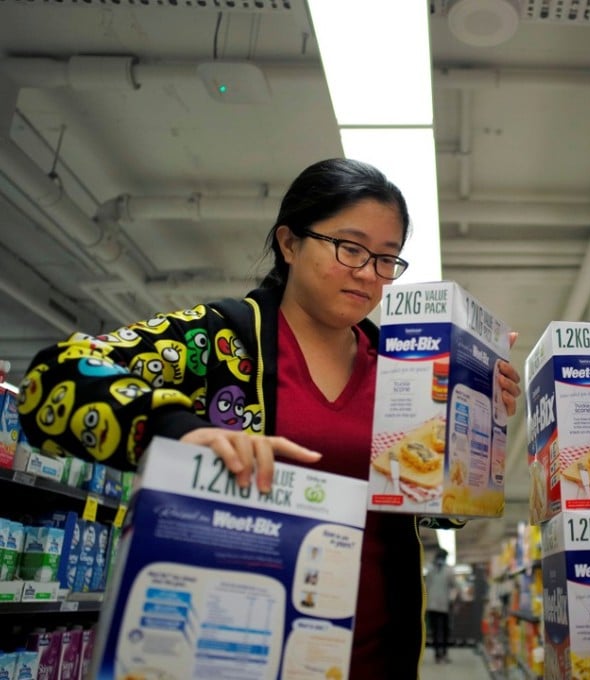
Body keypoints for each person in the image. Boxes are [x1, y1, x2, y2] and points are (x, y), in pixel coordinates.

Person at [16, 158, 522, 678]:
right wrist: (175, 429)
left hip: (372, 656)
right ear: (289, 243)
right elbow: (52, 380)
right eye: (350, 248)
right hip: (230, 647)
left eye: (386, 259)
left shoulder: (402, 367)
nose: (369, 273)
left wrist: (477, 420)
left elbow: (434, 507)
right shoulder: (220, 339)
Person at [424, 548, 458, 664]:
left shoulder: (448, 570)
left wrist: (453, 598)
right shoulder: (430, 569)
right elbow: (426, 586)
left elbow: (454, 586)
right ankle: (438, 655)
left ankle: (443, 653)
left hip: (443, 606)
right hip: (433, 605)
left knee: (444, 631)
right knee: (435, 631)